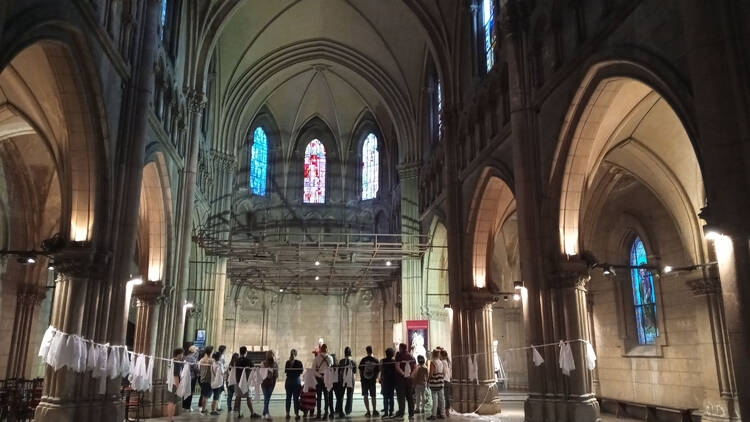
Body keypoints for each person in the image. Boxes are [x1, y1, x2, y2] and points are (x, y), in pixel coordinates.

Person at [236, 346, 261, 419]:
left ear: (240, 352)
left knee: (238, 397)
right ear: (246, 352)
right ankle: (252, 413)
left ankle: (238, 414)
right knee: (249, 397)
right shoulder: (248, 360)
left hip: (238, 381)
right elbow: (253, 369)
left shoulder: (237, 361)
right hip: (247, 381)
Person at [394, 343, 416, 418]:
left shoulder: (399, 355)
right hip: (409, 380)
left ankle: (401, 412)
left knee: (401, 397)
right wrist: (411, 375)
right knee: (410, 397)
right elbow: (415, 367)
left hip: (401, 380)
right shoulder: (411, 356)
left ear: (400, 348)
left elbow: (397, 366)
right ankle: (411, 414)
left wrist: (404, 374)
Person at [313, 343, 334, 419]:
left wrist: (320, 376)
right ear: (327, 349)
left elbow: (313, 370)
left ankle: (318, 414)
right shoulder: (331, 358)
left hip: (319, 378)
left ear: (321, 349)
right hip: (327, 378)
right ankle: (326, 413)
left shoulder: (317, 358)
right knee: (326, 396)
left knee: (318, 397)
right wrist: (325, 376)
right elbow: (331, 368)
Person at [335, 347, 356, 417]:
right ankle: (348, 410)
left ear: (344, 353)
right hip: (350, 379)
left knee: (340, 395)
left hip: (342, 379)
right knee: (350, 395)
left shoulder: (341, 361)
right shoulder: (353, 362)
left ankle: (339, 410)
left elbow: (338, 371)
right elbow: (355, 371)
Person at [359, 346, 380, 417]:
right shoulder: (375, 360)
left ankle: (368, 411)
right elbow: (378, 370)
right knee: (373, 396)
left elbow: (360, 370)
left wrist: (362, 378)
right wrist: (375, 377)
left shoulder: (363, 360)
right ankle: (374, 410)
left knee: (365, 395)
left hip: (364, 380)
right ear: (372, 351)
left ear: (366, 351)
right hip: (372, 380)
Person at [166, 348, 184, 422]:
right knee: (172, 403)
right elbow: (176, 376)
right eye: (182, 354)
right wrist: (178, 387)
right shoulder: (176, 363)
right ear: (179, 354)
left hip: (170, 383)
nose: (183, 355)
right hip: (174, 384)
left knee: (172, 403)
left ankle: (171, 419)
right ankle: (170, 419)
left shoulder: (171, 360)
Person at [285, 349, 303, 419]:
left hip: (295, 381)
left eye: (293, 354)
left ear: (295, 355)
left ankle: (296, 413)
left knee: (295, 398)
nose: (292, 355)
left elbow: (301, 371)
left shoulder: (298, 362)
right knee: (289, 398)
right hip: (291, 381)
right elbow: (286, 371)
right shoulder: (288, 362)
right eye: (291, 354)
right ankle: (288, 413)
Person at [427, 350, 445, 420]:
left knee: (435, 399)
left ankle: (434, 415)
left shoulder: (433, 362)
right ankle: (442, 414)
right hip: (440, 382)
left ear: (433, 354)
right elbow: (444, 373)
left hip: (434, 383)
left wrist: (428, 380)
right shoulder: (441, 362)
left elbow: (431, 374)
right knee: (442, 398)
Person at [262, 350, 279, 419]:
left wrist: (272, 373)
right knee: (267, 398)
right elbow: (261, 374)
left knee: (267, 398)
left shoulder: (275, 364)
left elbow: (276, 375)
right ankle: (267, 413)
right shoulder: (263, 363)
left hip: (271, 383)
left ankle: (264, 413)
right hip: (265, 383)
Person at [379, 348, 395, 419]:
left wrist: (380, 378)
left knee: (385, 397)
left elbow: (381, 370)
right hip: (392, 381)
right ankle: (391, 412)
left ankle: (386, 413)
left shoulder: (382, 361)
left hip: (385, 381)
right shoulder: (394, 361)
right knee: (391, 397)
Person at [198, 346, 214, 414]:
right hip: (208, 379)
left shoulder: (201, 359)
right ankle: (203, 409)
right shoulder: (211, 360)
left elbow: (199, 368)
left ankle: (203, 408)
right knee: (206, 396)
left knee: (204, 395)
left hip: (202, 379)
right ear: (211, 351)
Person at [183, 345, 199, 411]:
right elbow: (195, 368)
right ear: (194, 351)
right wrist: (198, 371)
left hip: (185, 376)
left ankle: (184, 405)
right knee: (190, 391)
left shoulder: (185, 357)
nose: (196, 352)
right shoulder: (192, 358)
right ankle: (188, 407)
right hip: (192, 377)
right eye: (196, 350)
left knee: (185, 391)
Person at [210, 351, 225, 415]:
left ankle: (214, 409)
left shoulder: (213, 363)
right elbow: (222, 373)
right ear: (219, 357)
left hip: (213, 382)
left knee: (215, 397)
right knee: (215, 397)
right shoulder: (219, 364)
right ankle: (213, 410)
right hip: (218, 383)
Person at [439, 349, 452, 417]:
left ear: (442, 355)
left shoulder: (443, 362)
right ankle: (447, 410)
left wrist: (440, 377)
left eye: (440, 355)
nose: (439, 356)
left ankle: (444, 411)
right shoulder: (447, 361)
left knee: (444, 396)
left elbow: (443, 372)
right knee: (447, 396)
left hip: (444, 380)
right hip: (448, 380)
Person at [218, 345, 228, 411]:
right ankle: (218, 407)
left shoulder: (221, 356)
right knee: (218, 392)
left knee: (219, 392)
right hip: (219, 375)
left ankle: (219, 406)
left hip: (220, 375)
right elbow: (222, 365)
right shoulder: (220, 356)